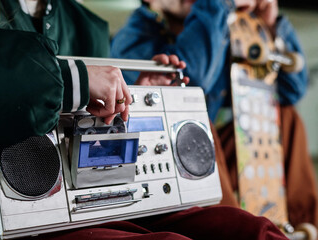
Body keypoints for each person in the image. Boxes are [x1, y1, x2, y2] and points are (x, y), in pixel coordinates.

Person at [0, 1, 290, 239]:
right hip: (22, 216)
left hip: (102, 205)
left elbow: (98, 135)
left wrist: (137, 99)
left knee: (253, 229)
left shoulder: (86, 24)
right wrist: (76, 82)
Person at [111, 0, 318, 229]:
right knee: (198, 120)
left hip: (205, 158)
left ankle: (303, 227)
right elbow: (190, 85)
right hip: (164, 167)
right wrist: (219, 3)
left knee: (286, 117)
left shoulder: (215, 24)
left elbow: (293, 91)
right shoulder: (132, 37)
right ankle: (234, 230)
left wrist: (271, 27)